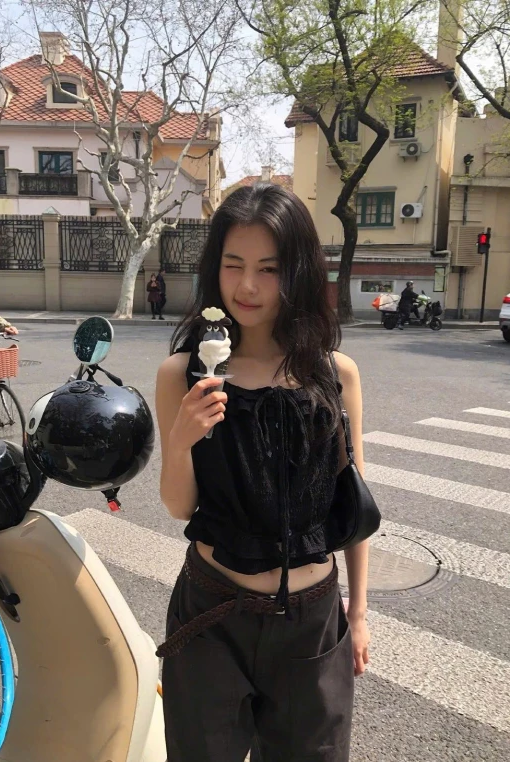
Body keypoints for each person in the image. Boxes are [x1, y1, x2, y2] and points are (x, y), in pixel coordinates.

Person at [155, 183, 370, 762]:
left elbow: (354, 505)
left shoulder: (335, 374)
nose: (247, 286)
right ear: (214, 269)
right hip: (213, 613)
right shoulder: (183, 374)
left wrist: (358, 614)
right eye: (234, 265)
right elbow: (179, 506)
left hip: (312, 620)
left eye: (268, 269)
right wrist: (182, 438)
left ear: (297, 272)